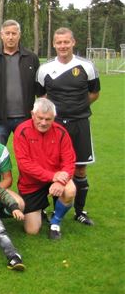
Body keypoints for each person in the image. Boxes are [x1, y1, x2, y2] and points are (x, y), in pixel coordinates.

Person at [36, 27, 100, 226]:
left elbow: (94, 93)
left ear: (73, 42)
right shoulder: (44, 69)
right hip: (54, 126)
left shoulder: (86, 66)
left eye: (66, 42)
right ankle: (54, 210)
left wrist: (77, 108)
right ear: (54, 44)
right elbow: (42, 97)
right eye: (59, 43)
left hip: (79, 124)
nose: (63, 46)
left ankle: (80, 212)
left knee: (80, 169)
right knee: (53, 167)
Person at [14, 98, 77, 240]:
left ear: (54, 117)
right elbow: (24, 164)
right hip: (31, 183)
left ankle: (55, 222)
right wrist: (52, 177)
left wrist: (61, 181)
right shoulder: (22, 131)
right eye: (40, 118)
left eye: (48, 119)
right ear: (32, 114)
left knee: (70, 190)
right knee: (32, 230)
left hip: (56, 178)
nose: (43, 123)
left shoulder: (61, 132)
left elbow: (69, 161)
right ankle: (40, 210)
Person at [0, 20, 39, 145]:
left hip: (26, 118)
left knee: (28, 157)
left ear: (19, 35)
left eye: (14, 33)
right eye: (7, 33)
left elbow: (37, 87)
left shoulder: (31, 58)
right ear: (1, 35)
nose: (10, 37)